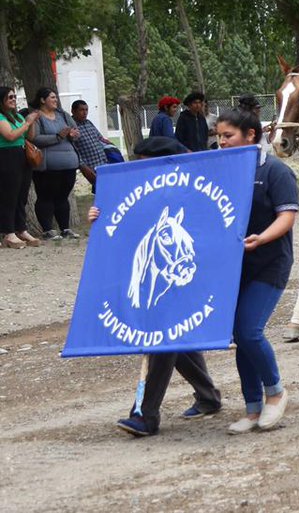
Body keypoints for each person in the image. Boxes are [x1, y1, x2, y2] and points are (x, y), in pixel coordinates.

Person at [86, 136, 223, 437]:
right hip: (156, 281)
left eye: (146, 162)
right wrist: (98, 217)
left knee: (162, 340)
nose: (139, 168)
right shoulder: (143, 193)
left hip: (184, 276)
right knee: (175, 340)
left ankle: (146, 414)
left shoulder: (187, 192)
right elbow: (125, 230)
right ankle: (208, 396)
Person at [215, 109, 299, 434]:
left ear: (250, 135)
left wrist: (262, 238)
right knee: (239, 334)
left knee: (249, 330)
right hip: (233, 267)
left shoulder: (275, 171)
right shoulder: (219, 171)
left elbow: (287, 216)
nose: (221, 142)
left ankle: (275, 392)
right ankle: (252, 409)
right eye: (219, 136)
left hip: (270, 263)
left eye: (228, 136)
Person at [28, 88, 81, 240]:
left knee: (63, 196)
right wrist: (57, 137)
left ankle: (65, 228)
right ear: (42, 100)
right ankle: (48, 230)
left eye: (55, 97)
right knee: (46, 196)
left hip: (69, 163)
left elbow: (76, 130)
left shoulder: (63, 115)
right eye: (52, 97)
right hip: (47, 165)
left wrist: (73, 134)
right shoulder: (37, 116)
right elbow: (35, 138)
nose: (55, 100)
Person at [0, 86, 41, 249]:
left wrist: (32, 123)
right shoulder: (1, 117)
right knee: (9, 195)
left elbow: (29, 136)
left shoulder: (16, 116)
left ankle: (21, 228)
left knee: (21, 195)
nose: (13, 100)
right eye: (9, 97)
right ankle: (8, 232)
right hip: (7, 156)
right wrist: (28, 122)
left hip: (22, 156)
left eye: (14, 97)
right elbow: (10, 135)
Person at [70, 100, 114, 189]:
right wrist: (84, 168)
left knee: (112, 190)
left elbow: (100, 138)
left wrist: (111, 147)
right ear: (73, 111)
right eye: (81, 110)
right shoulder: (71, 128)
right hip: (91, 168)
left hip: (105, 164)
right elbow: (74, 151)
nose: (85, 113)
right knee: (101, 193)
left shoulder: (88, 123)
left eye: (86, 110)